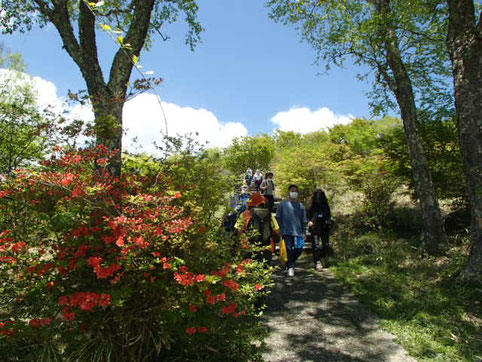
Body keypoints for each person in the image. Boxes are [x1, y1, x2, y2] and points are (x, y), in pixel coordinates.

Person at [235, 192, 280, 265]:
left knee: (249, 270)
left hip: (248, 247)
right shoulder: (269, 214)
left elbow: (239, 231)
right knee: (264, 269)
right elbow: (277, 231)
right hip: (266, 247)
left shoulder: (244, 214)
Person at [276, 185, 307, 277]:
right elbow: (278, 217)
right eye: (292, 191)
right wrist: (279, 229)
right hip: (286, 231)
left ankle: (289, 262)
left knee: (299, 249)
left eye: (295, 191)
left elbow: (304, 220)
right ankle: (291, 267)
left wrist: (304, 231)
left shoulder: (301, 206)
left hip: (298, 232)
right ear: (289, 192)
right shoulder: (282, 205)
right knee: (289, 249)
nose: (294, 193)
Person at [307, 189, 333, 270]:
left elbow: (329, 216)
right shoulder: (312, 206)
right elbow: (308, 216)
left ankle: (322, 257)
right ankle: (317, 261)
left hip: (324, 228)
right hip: (315, 228)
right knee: (316, 245)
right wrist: (309, 222)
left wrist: (329, 221)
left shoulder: (326, 206)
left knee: (326, 245)